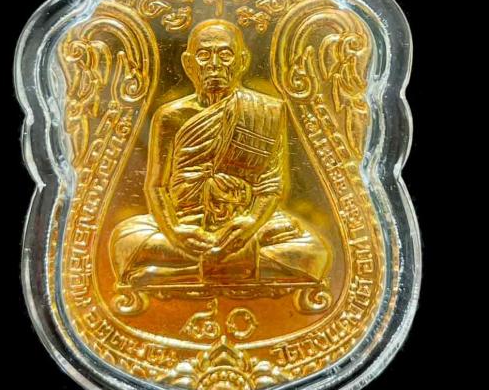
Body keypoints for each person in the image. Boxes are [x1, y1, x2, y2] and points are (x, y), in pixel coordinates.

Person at [110, 19, 331, 287]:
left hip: (246, 225)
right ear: (188, 63)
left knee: (314, 253)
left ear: (242, 61)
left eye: (225, 54)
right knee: (125, 240)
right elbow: (156, 186)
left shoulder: (267, 111)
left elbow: (271, 185)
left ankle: (180, 273)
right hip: (188, 224)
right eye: (204, 55)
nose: (214, 64)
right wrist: (176, 231)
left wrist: (251, 222)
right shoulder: (170, 116)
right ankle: (233, 265)